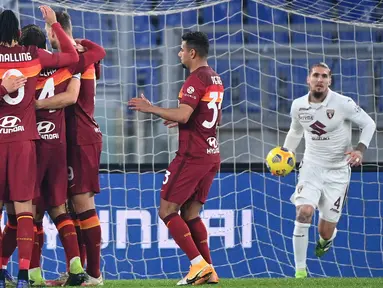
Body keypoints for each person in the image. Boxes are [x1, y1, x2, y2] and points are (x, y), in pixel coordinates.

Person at [128, 31, 222, 285]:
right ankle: (209, 271)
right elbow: (202, 115)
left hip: (192, 156)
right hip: (212, 153)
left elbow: (183, 115)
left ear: (192, 52)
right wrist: (184, 121)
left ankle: (197, 264)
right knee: (191, 214)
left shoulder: (194, 79)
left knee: (167, 210)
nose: (179, 54)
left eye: (182, 50)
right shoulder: (215, 77)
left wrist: (151, 108)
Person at [0, 6, 79, 288]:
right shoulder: (33, 56)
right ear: (19, 34)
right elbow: (72, 57)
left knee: (10, 212)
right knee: (24, 210)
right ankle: (24, 275)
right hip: (25, 142)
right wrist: (55, 25)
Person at [283, 62, 376, 278]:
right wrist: (286, 153)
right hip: (311, 167)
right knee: (304, 211)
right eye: (316, 75)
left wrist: (360, 150)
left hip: (338, 172)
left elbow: (369, 124)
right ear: (308, 79)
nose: (320, 79)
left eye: (324, 76)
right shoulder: (298, 106)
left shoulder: (343, 103)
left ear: (329, 81)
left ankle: (327, 239)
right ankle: (299, 271)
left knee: (325, 231)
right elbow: (295, 132)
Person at [45, 10, 106, 286]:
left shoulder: (78, 60)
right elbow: (99, 51)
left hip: (82, 138)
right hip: (69, 139)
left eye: (50, 30)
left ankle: (94, 275)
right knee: (72, 208)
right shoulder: (76, 57)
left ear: (55, 31)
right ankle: (77, 273)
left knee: (83, 205)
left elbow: (98, 51)